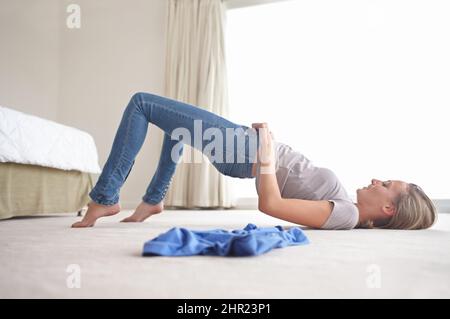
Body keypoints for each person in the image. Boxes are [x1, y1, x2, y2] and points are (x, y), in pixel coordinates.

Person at [71, 92, 437, 230]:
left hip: (247, 152)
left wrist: (264, 152)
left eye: (386, 185)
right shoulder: (348, 208)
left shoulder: (347, 214)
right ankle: (153, 199)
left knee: (142, 104)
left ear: (389, 209)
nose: (377, 180)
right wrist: (267, 145)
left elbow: (271, 204)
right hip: (248, 148)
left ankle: (105, 197)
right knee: (174, 125)